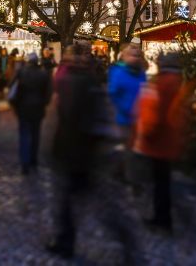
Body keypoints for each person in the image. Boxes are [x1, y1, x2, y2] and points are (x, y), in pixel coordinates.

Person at [47, 43, 136, 261]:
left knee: (78, 203)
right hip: (85, 152)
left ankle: (67, 243)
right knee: (88, 203)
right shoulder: (90, 81)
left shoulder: (72, 82)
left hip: (76, 152)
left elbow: (64, 119)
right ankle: (123, 240)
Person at [133, 52, 188, 232]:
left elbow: (154, 113)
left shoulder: (161, 83)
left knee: (160, 182)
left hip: (158, 139)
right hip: (171, 137)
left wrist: (146, 134)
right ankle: (164, 217)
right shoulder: (179, 81)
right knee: (163, 180)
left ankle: (162, 219)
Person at [11, 52, 52, 174]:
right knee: (35, 134)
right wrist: (44, 103)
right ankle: (33, 159)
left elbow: (12, 88)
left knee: (24, 135)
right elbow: (48, 93)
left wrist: (16, 105)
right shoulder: (43, 74)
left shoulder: (21, 72)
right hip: (37, 108)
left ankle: (25, 162)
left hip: (23, 108)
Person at [107, 43, 147, 144]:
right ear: (124, 56)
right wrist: (127, 109)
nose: (135, 58)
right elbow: (112, 95)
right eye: (132, 55)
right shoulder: (117, 71)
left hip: (139, 120)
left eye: (137, 55)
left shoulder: (141, 73)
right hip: (123, 120)